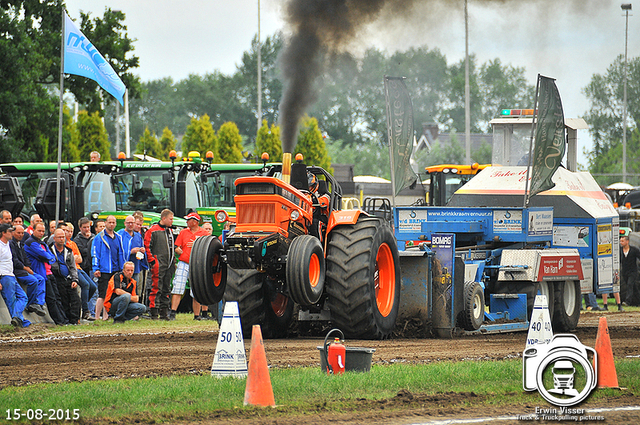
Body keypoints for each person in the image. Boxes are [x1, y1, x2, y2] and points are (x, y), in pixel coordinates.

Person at [24, 222, 68, 325]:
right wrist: (47, 257)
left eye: (43, 231)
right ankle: (60, 321)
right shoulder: (30, 242)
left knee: (57, 298)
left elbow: (51, 257)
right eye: (39, 231)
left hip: (49, 272)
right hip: (41, 273)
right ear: (33, 230)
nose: (41, 233)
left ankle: (64, 320)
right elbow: (46, 256)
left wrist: (47, 257)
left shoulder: (42, 243)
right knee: (51, 299)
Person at [170, 212, 209, 321]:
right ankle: (173, 312)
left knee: (196, 290)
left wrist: (196, 243)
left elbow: (208, 248)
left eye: (188, 220)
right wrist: (178, 250)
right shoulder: (183, 232)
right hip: (184, 262)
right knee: (178, 287)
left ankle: (197, 315)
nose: (186, 222)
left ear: (195, 222)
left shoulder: (204, 233)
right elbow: (177, 246)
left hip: (197, 264)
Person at [92, 215, 126, 321]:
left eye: (113, 222)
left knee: (112, 294)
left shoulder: (118, 237)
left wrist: (122, 269)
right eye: (109, 222)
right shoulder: (99, 237)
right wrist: (96, 268)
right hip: (104, 269)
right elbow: (95, 253)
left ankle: (106, 316)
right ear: (105, 223)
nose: (111, 224)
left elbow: (121, 254)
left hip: (115, 270)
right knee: (102, 293)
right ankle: (97, 316)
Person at [9, 224, 46, 316]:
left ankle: (38, 303)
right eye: (18, 233)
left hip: (25, 270)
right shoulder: (11, 244)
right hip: (17, 271)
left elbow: (26, 259)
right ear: (13, 233)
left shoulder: (21, 244)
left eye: (22, 233)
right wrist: (25, 268)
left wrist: (28, 267)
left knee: (41, 279)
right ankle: (31, 304)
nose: (21, 235)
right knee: (33, 280)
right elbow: (14, 260)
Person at [145, 209, 175, 320]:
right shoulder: (153, 231)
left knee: (166, 288)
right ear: (163, 218)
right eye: (170, 219)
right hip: (158, 263)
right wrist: (152, 261)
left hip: (169, 264)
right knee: (156, 288)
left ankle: (164, 312)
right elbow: (147, 246)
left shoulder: (169, 231)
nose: (172, 221)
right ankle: (154, 312)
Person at [0, 224, 30, 328]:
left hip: (10, 275)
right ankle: (19, 321)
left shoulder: (8, 244)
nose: (12, 233)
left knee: (23, 297)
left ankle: (17, 318)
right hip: (4, 276)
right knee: (11, 300)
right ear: (3, 233)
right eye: (10, 231)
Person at [65, 223, 97, 320]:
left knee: (93, 286)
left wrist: (73, 258)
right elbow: (68, 259)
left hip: (79, 267)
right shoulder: (64, 244)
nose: (69, 233)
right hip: (72, 269)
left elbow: (80, 259)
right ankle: (85, 311)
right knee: (85, 285)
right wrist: (73, 258)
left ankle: (83, 303)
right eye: (67, 231)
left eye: (71, 231)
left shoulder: (72, 243)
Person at [50, 229, 81, 324]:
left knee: (76, 299)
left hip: (69, 278)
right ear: (54, 238)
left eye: (63, 237)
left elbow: (73, 267)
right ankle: (67, 320)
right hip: (57, 278)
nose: (61, 239)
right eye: (59, 237)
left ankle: (75, 320)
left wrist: (75, 279)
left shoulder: (68, 250)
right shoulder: (50, 250)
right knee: (64, 300)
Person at [74, 217, 97, 317]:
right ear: (80, 228)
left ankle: (86, 305)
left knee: (93, 288)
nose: (87, 229)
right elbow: (84, 251)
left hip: (92, 266)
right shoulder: (77, 239)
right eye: (84, 227)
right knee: (85, 286)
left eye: (88, 227)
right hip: (82, 267)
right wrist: (90, 242)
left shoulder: (94, 237)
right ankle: (86, 309)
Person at [118, 215, 147, 285]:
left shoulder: (138, 236)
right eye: (128, 223)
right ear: (125, 223)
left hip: (135, 268)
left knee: (135, 290)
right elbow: (117, 252)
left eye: (132, 223)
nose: (130, 225)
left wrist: (142, 251)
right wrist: (131, 252)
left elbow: (142, 251)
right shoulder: (119, 235)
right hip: (122, 269)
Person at [620, 227, 640, 307]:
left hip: (632, 271)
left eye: (622, 241)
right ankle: (638, 301)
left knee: (629, 285)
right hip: (625, 271)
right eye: (620, 241)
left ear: (627, 241)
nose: (621, 242)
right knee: (633, 287)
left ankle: (627, 302)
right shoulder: (620, 251)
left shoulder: (634, 250)